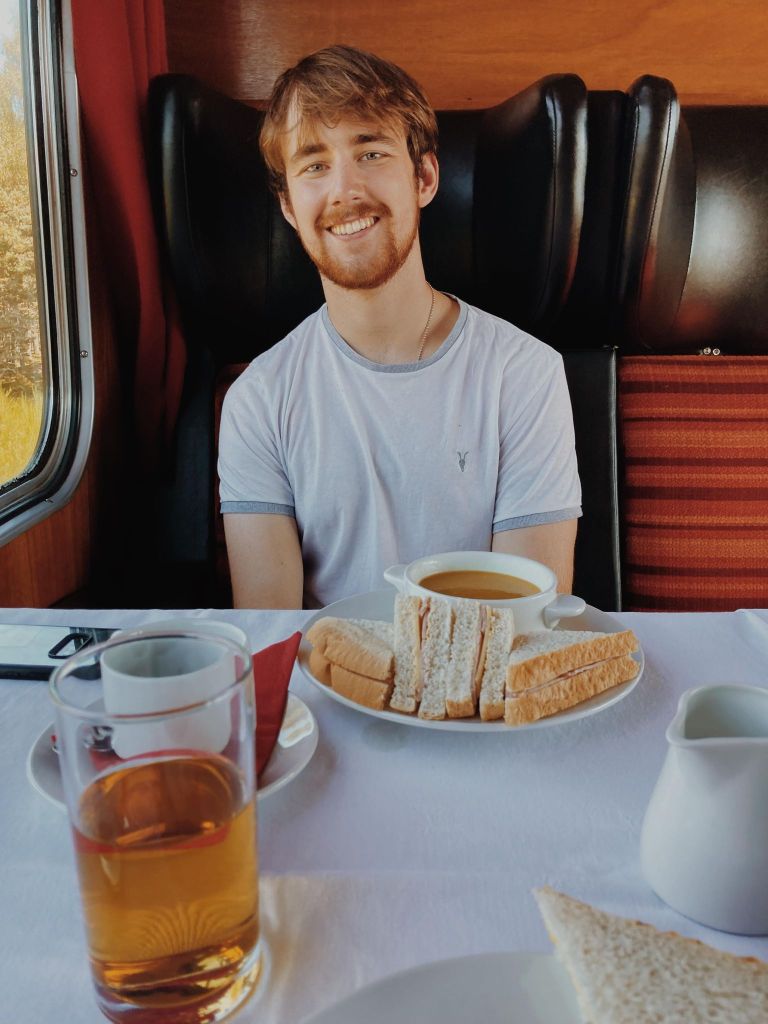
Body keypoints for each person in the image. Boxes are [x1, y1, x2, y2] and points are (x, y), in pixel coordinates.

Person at [218, 45, 581, 610]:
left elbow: (526, 617)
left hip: (477, 692)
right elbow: (273, 631)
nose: (344, 191)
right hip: (324, 691)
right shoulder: (257, 400)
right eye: (315, 165)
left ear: (425, 177)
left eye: (371, 153)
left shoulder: (525, 373)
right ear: (289, 206)